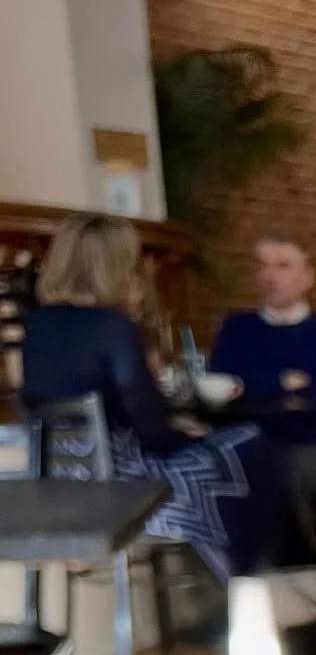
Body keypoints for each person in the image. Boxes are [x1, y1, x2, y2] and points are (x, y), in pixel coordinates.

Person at [22, 215, 279, 583]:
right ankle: (248, 584)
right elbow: (150, 431)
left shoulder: (37, 325)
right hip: (121, 488)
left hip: (64, 488)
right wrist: (190, 436)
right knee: (250, 444)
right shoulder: (113, 327)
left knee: (228, 459)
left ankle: (239, 582)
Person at [211, 237, 316, 562]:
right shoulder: (237, 329)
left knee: (281, 476)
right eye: (261, 266)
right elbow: (221, 389)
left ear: (307, 278)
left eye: (282, 265)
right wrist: (282, 384)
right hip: (242, 444)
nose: (269, 275)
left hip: (313, 447)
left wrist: (249, 389)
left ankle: (297, 574)